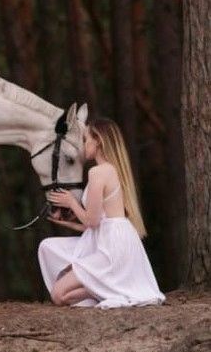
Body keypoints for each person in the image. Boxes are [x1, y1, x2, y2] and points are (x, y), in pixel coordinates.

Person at [37, 117, 166, 309]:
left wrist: (71, 202)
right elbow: (100, 224)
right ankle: (111, 289)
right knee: (51, 259)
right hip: (111, 240)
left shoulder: (98, 172)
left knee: (58, 295)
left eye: (86, 139)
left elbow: (93, 221)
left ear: (98, 141)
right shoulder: (111, 170)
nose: (84, 145)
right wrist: (68, 223)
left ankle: (114, 290)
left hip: (111, 248)